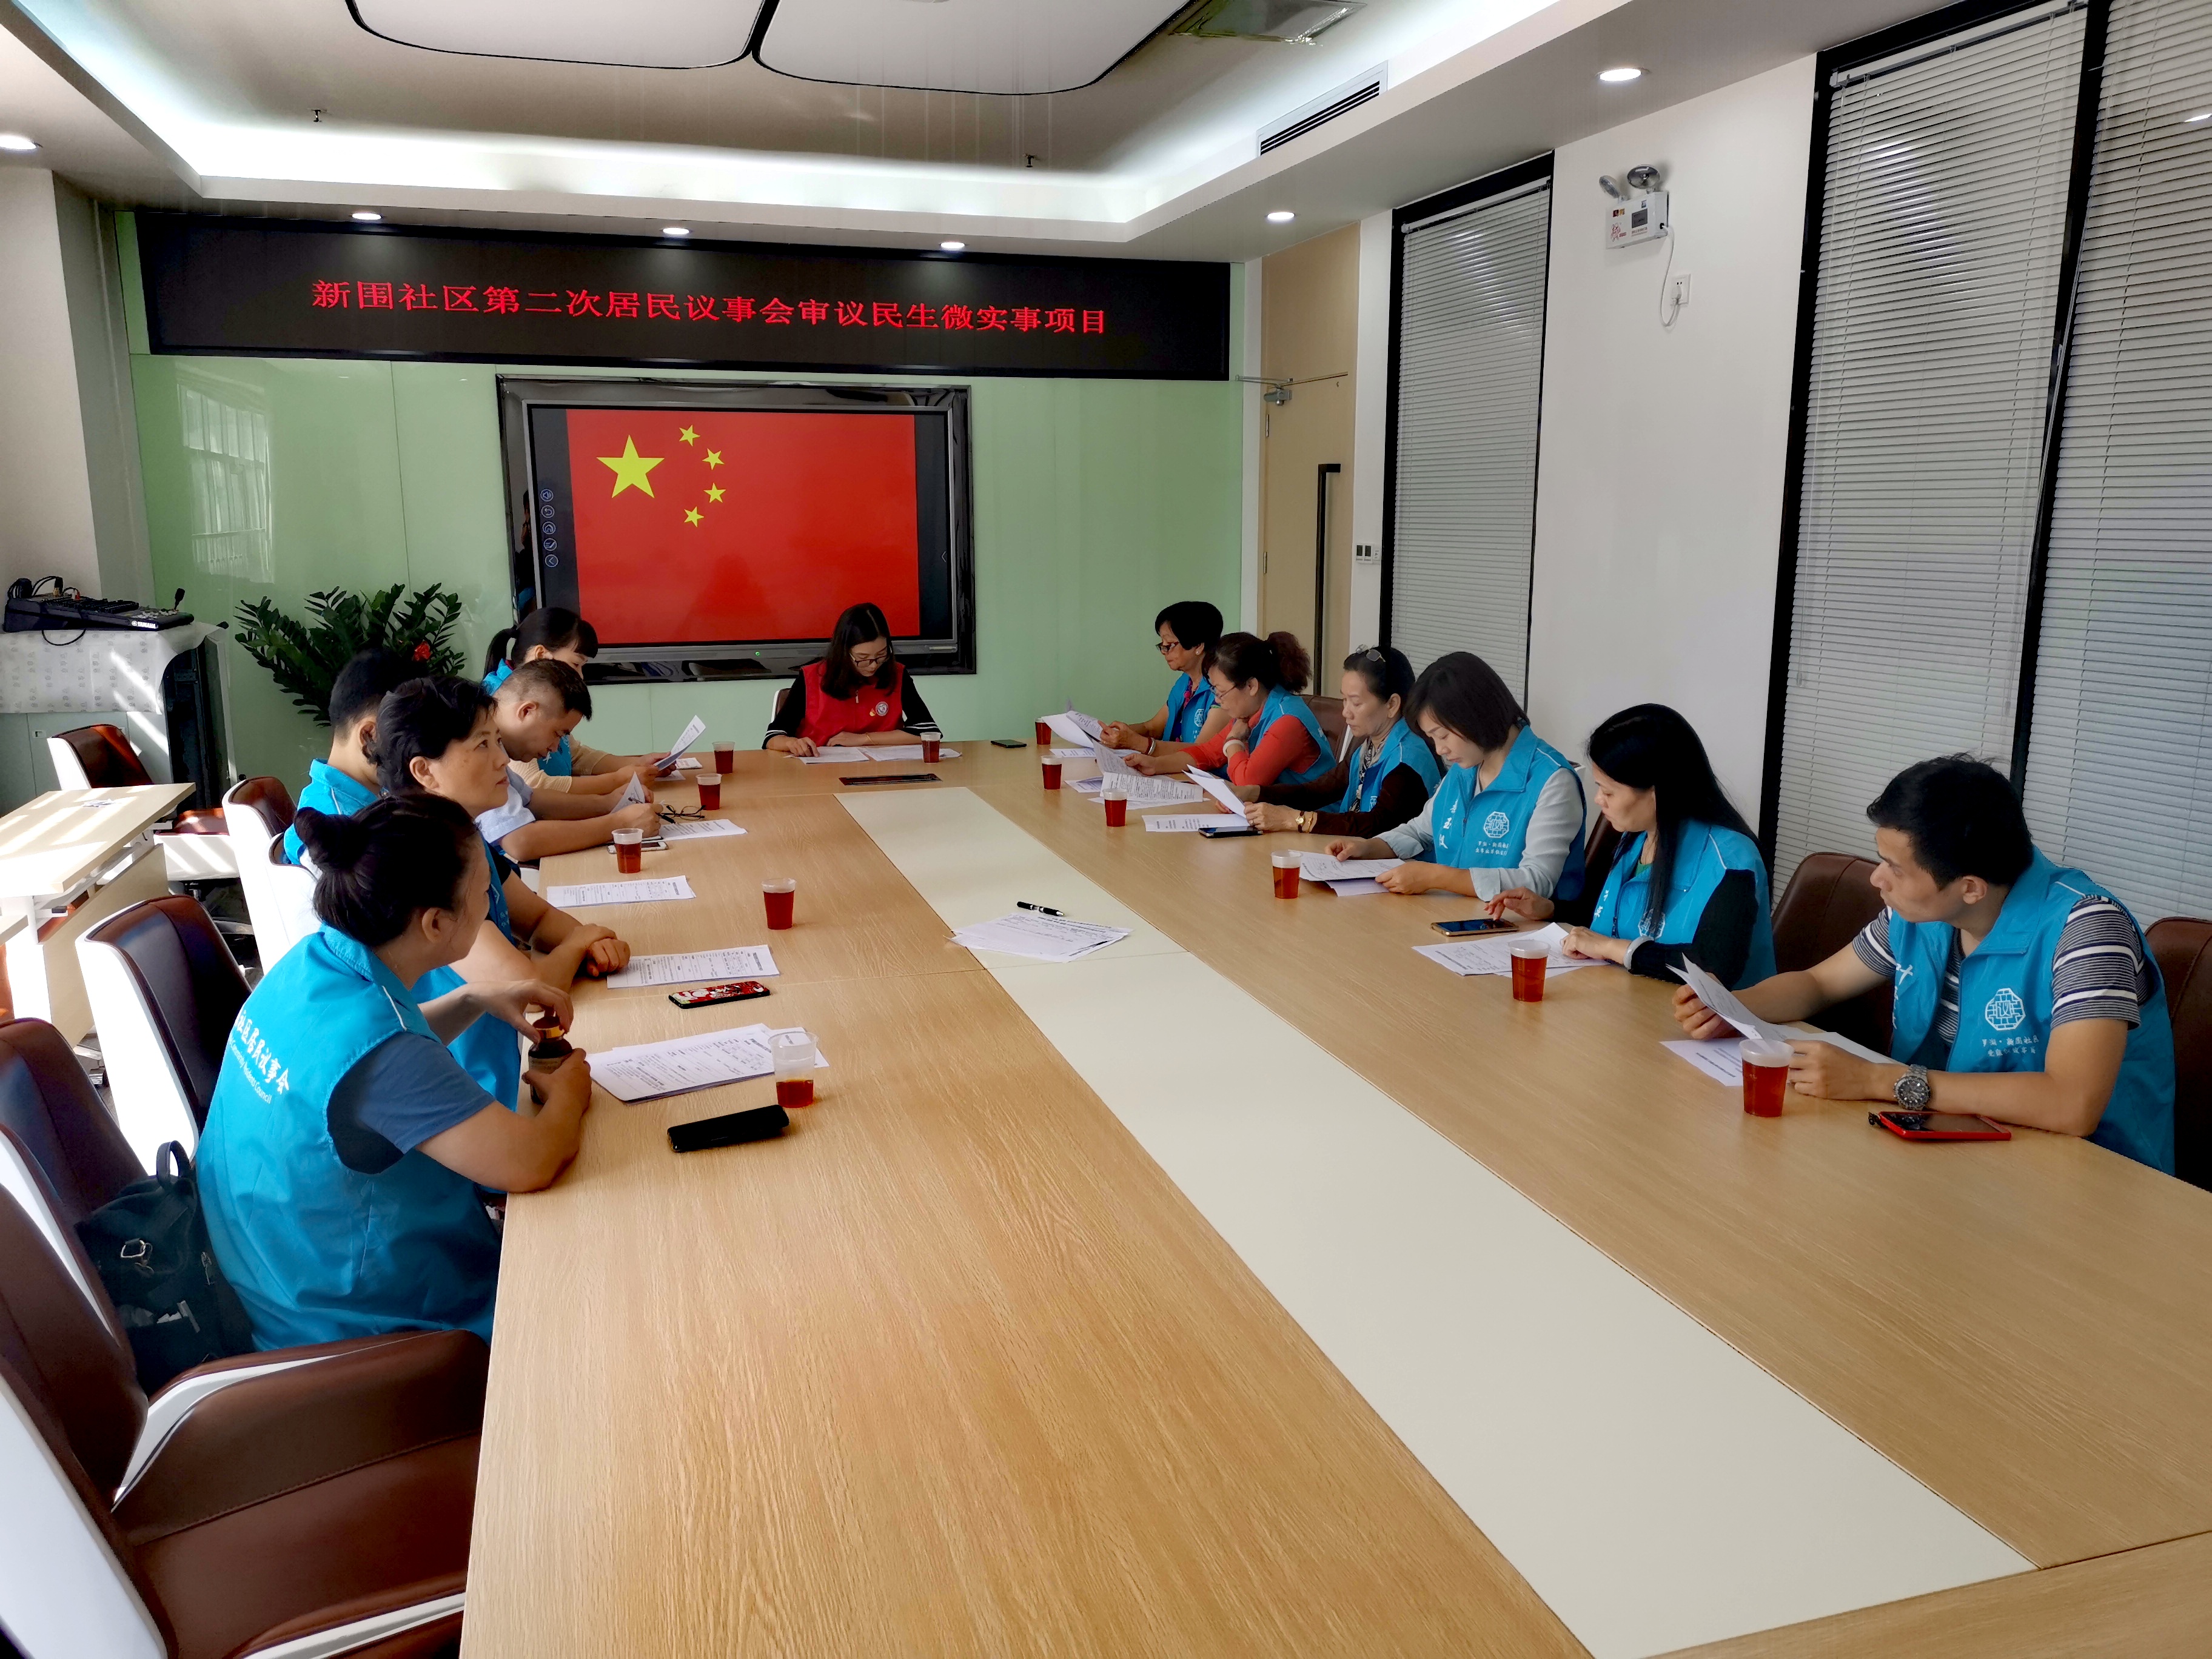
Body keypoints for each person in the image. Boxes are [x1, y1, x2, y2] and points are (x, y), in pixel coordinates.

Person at [199, 796, 594, 1348]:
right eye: (485, 894)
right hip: (364, 1335)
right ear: (436, 923)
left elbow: (359, 1061)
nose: (491, 906)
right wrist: (571, 1091)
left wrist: (473, 999)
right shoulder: (387, 1058)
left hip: (272, 1281)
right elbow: (531, 1162)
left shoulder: (309, 964)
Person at [1672, 756, 2176, 1170]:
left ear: (1970, 888)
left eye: (1895, 868)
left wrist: (1874, 1081)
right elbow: (1819, 984)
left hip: (2086, 1179)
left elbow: (2072, 1104)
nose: (1877, 879)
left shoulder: (2087, 930)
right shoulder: (1923, 914)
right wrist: (1732, 1007)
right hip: (1954, 1150)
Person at [376, 676, 631, 1062]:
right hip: (455, 1077)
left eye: (498, 741)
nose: (503, 760)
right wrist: (582, 941)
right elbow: (527, 988)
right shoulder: (420, 861)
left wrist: (594, 944)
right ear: (424, 771)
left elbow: (538, 919)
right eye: (482, 744)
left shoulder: (461, 836)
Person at [1494, 704, 1774, 987]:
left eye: (1608, 792)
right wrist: (1551, 910)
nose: (1599, 800)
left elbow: (1715, 964)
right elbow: (1609, 919)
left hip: (1696, 1013)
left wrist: (1613, 949)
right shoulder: (1637, 839)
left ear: (1657, 792)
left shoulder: (1732, 860)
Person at [1323, 652, 1585, 901]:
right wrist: (1369, 848)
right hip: (1448, 915)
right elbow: (1420, 831)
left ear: (1476, 717)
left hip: (1513, 927)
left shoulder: (1552, 781)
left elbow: (1537, 881)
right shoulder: (1466, 768)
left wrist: (1436, 877)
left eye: (1443, 736)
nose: (1440, 750)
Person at [1238, 646, 1440, 837]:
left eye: (1356, 703)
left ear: (1392, 704)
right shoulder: (1371, 747)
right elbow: (1317, 791)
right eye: (1345, 700)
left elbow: (1377, 825)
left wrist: (1293, 820)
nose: (1346, 712)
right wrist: (1251, 793)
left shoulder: (1407, 761)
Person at [478, 659, 662, 862]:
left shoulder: (491, 740)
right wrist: (620, 824)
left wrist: (607, 803)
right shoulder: (477, 748)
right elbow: (521, 842)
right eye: (557, 734)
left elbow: (533, 800)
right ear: (527, 711)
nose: (556, 748)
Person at [485, 608, 671, 794]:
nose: (580, 676)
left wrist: (638, 764)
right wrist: (620, 780)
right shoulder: (503, 705)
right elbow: (533, 786)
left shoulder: (534, 697)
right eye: (576, 664)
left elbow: (575, 755)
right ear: (541, 655)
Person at [1126, 631, 1333, 787]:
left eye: (1221, 692)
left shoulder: (1287, 721)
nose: (1218, 700)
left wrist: (1234, 741)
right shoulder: (1250, 710)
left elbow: (1246, 781)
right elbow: (1207, 752)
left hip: (1312, 821)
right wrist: (1156, 765)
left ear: (1251, 686)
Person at [279, 646, 415, 864]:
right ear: (370, 735)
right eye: (408, 741)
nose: (416, 755)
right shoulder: (341, 831)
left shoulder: (350, 797)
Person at [764, 601, 943, 756]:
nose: (873, 665)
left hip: (882, 772)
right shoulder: (811, 677)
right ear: (844, 652)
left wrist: (863, 739)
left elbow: (928, 731)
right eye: (863, 658)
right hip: (820, 773)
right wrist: (792, 743)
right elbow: (773, 736)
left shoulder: (897, 674)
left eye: (881, 655)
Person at [1100, 601, 1230, 759]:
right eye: (1162, 644)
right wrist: (1115, 734)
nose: (1164, 651)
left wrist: (1138, 743)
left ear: (1198, 646)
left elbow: (1201, 753)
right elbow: (1153, 728)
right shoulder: (1185, 682)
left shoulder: (1223, 689)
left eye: (1169, 645)